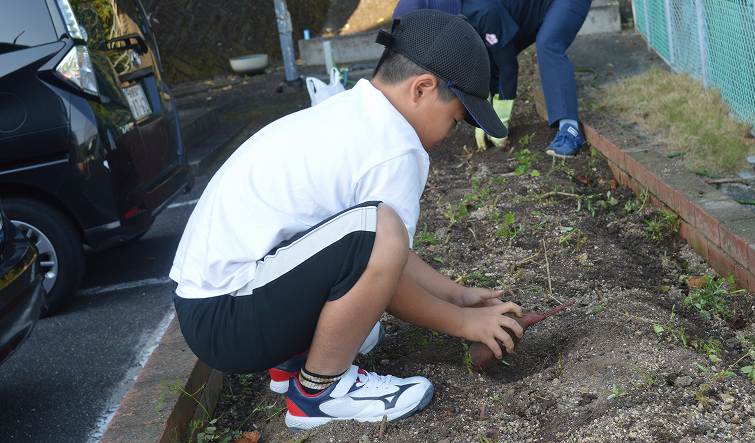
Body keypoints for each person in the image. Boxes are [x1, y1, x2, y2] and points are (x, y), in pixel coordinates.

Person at [169, 10, 525, 431]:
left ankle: (292, 362)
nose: (452, 131)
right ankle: (320, 391)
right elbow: (384, 264)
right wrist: (464, 322)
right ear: (423, 89)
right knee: (378, 234)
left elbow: (375, 255)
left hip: (214, 310)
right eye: (458, 117)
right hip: (231, 321)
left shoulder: (353, 114)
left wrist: (456, 294)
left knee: (368, 249)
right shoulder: (395, 148)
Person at [394, 0, 592, 158]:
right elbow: (488, 66)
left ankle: (570, 130)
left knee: (548, 45)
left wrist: (499, 119)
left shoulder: (481, 10)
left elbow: (507, 67)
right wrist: (483, 117)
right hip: (529, 12)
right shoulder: (455, 20)